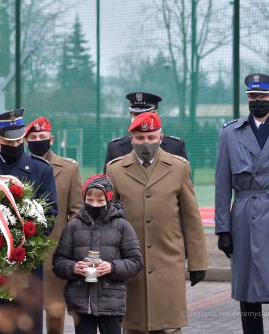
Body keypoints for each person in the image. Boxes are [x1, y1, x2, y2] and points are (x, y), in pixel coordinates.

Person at [106, 112, 207, 334]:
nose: (146, 143)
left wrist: (198, 262)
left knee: (169, 327)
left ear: (161, 138)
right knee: (133, 327)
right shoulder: (115, 169)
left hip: (168, 261)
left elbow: (191, 218)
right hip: (131, 265)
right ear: (131, 138)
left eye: (151, 138)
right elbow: (108, 219)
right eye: (140, 138)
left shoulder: (179, 167)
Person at [0, 108, 58, 334]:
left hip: (24, 267)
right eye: (8, 140)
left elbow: (51, 213)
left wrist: (22, 243)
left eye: (18, 140)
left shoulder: (40, 169)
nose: (15, 145)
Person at [53, 174, 143, 334]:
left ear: (108, 200)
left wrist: (112, 267)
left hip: (112, 303)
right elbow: (59, 262)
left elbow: (136, 262)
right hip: (81, 302)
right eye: (90, 200)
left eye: (100, 201)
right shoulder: (73, 226)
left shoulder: (122, 226)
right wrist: (74, 267)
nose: (95, 204)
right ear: (84, 199)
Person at [215, 73, 269, 334]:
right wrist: (222, 229)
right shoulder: (230, 134)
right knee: (248, 288)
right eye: (252, 97)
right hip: (244, 218)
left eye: (262, 96)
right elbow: (222, 185)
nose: (256, 101)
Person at [25, 116, 83, 334]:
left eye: (43, 137)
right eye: (33, 137)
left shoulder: (68, 169)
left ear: (52, 139)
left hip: (56, 252)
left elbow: (76, 211)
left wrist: (72, 248)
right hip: (25, 251)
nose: (38, 140)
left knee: (55, 313)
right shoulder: (20, 166)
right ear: (25, 140)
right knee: (26, 312)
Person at [104, 92, 187, 171]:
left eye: (145, 114)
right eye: (136, 114)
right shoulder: (115, 148)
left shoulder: (175, 147)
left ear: (156, 115)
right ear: (130, 115)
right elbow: (108, 183)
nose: (140, 119)